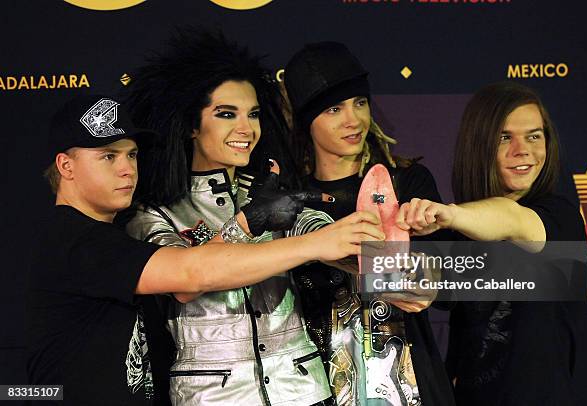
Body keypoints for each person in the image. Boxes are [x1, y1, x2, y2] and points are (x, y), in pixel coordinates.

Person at [26, 94, 384, 406]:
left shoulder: (110, 236)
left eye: (132, 155)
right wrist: (296, 238)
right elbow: (190, 275)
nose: (127, 169)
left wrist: (406, 233)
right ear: (65, 166)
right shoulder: (73, 238)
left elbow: (395, 279)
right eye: (108, 157)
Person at [122, 29, 367, 406]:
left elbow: (325, 239)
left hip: (303, 391)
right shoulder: (154, 213)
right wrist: (247, 224)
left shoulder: (269, 190)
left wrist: (369, 251)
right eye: (226, 114)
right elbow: (186, 283)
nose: (245, 129)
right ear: (191, 124)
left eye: (253, 114)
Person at [283, 41, 456, 406]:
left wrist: (422, 277)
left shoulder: (405, 183)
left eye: (359, 103)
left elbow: (447, 288)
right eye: (334, 109)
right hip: (315, 384)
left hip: (407, 379)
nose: (353, 120)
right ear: (306, 121)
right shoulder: (289, 199)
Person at [397, 81, 587, 405]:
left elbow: (512, 218)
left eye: (534, 135)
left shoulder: (561, 218)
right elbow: (414, 285)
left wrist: (447, 214)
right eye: (505, 137)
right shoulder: (462, 233)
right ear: (480, 145)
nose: (523, 150)